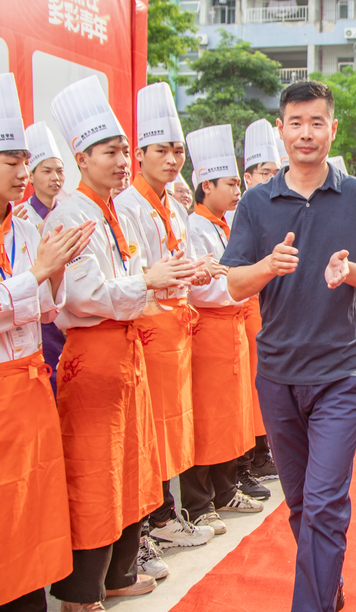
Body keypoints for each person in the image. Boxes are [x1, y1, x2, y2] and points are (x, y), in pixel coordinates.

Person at [221, 80, 356, 612]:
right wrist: (266, 266)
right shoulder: (256, 203)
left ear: (332, 129)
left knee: (324, 502)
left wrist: (350, 272)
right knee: (300, 502)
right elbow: (233, 284)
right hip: (277, 373)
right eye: (296, 123)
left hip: (339, 371)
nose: (306, 133)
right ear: (281, 130)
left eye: (317, 122)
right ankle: (328, 585)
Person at [47, 76, 198, 610]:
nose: (119, 161)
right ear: (80, 158)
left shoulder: (114, 211)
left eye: (122, 151)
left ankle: (118, 574)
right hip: (93, 356)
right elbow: (86, 295)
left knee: (131, 463)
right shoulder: (72, 215)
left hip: (127, 352)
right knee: (94, 470)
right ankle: (80, 590)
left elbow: (134, 282)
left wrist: (160, 281)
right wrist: (149, 283)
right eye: (108, 152)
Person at [0, 73, 92, 612]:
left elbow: (40, 309)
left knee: (34, 504)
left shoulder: (19, 229)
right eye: (12, 163)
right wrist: (39, 272)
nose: (23, 173)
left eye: (26, 161)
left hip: (29, 387)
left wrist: (53, 272)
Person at [114, 83, 215, 566]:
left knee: (170, 428)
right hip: (148, 328)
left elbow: (179, 263)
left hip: (174, 328)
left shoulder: (170, 205)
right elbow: (137, 277)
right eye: (162, 150)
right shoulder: (128, 206)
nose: (173, 159)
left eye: (177, 150)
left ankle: (165, 514)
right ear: (139, 155)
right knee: (148, 430)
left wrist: (198, 270)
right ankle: (154, 522)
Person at [184, 124, 263, 533]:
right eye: (231, 183)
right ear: (205, 184)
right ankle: (199, 503)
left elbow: (230, 274)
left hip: (230, 328)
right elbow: (210, 287)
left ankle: (226, 487)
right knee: (208, 418)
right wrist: (240, 280)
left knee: (232, 414)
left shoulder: (220, 224)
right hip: (209, 331)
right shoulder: (194, 227)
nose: (237, 192)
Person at [236, 118, 283, 492]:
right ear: (248, 175)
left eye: (274, 172)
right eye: (264, 172)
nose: (271, 179)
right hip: (241, 311)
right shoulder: (246, 211)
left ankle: (261, 453)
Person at [20, 121, 69, 395]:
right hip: (34, 313)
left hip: (64, 308)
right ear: (31, 176)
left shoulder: (70, 215)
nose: (55, 178)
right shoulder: (21, 217)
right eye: (47, 171)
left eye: (60, 171)